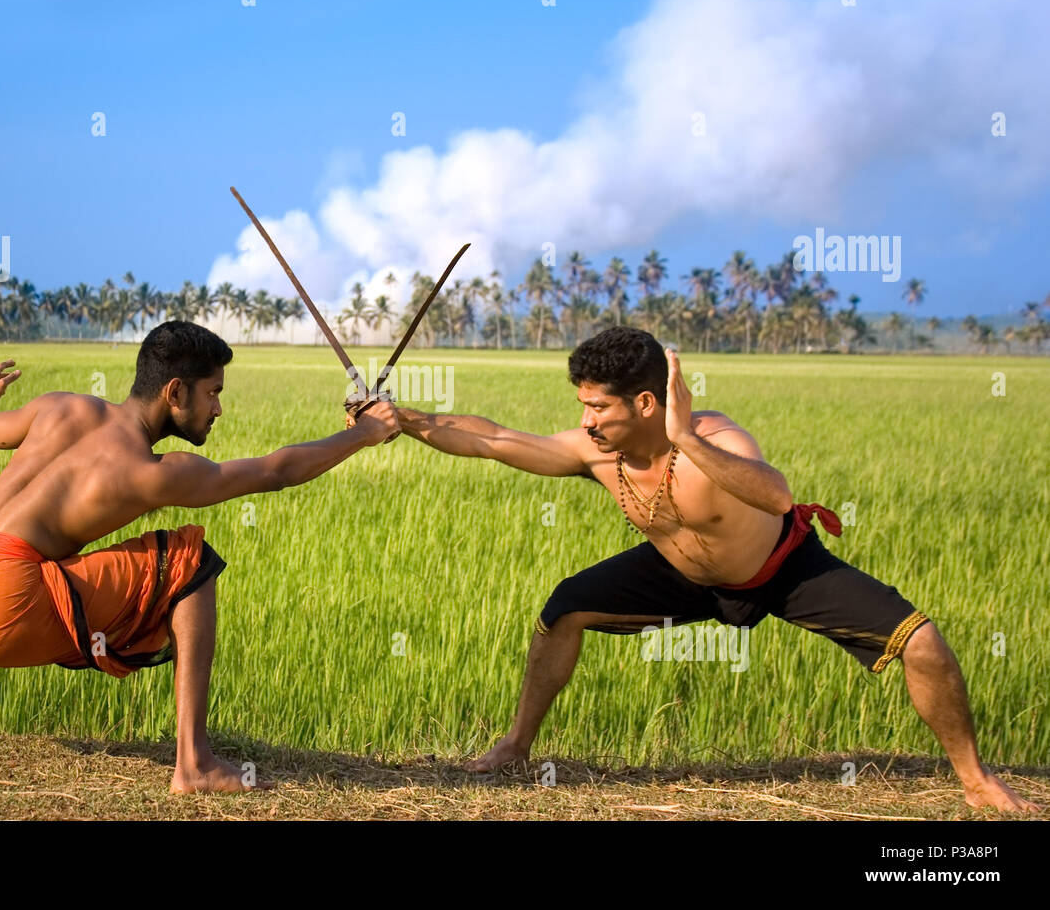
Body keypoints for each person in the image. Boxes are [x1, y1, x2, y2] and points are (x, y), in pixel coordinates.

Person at [386, 325, 1038, 812]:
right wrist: (402, 421)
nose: (586, 422)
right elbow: (493, 440)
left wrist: (688, 436)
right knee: (564, 607)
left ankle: (975, 779)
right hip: (683, 577)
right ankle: (516, 748)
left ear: (647, 403)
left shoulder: (712, 442)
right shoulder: (594, 453)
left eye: (599, 408)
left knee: (920, 642)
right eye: (582, 406)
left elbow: (776, 496)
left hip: (782, 571)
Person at [0, 321, 401, 793]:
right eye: (211, 392)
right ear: (174, 392)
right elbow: (273, 472)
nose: (218, 406)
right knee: (191, 564)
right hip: (2, 603)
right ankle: (193, 762)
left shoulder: (59, 407)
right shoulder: (150, 472)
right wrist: (366, 434)